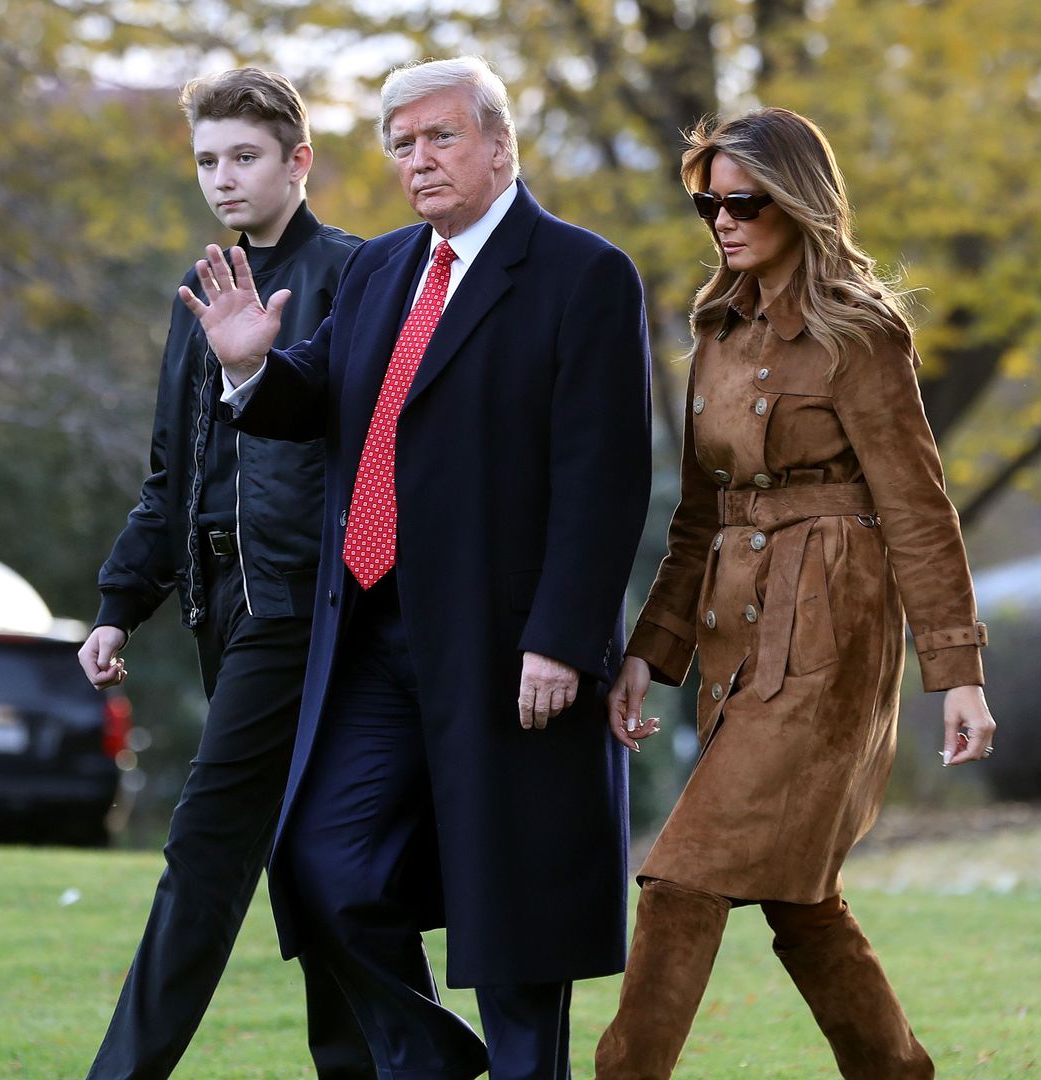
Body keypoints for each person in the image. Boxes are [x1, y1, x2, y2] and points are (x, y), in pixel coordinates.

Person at [179, 56, 652, 1080]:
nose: (420, 160)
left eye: (441, 137)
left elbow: (604, 479)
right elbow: (316, 398)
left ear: (498, 143)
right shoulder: (385, 268)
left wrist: (565, 639)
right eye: (402, 144)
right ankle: (429, 1060)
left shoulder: (584, 274)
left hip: (510, 643)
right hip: (374, 636)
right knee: (321, 866)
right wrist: (250, 363)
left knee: (520, 924)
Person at [591, 108, 998, 1080]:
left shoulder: (860, 333)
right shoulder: (714, 336)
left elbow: (919, 508)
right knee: (799, 897)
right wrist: (648, 654)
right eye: (708, 202)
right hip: (740, 637)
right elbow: (697, 520)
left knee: (681, 877)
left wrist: (960, 673)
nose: (723, 220)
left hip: (835, 642)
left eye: (745, 201)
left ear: (799, 203)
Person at [79, 67, 372, 1080]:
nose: (222, 178)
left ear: (299, 160)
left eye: (243, 156)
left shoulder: (356, 274)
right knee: (317, 864)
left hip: (310, 611)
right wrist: (121, 605)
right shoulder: (198, 294)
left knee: (203, 854)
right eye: (206, 160)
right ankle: (388, 1062)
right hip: (225, 610)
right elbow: (175, 475)